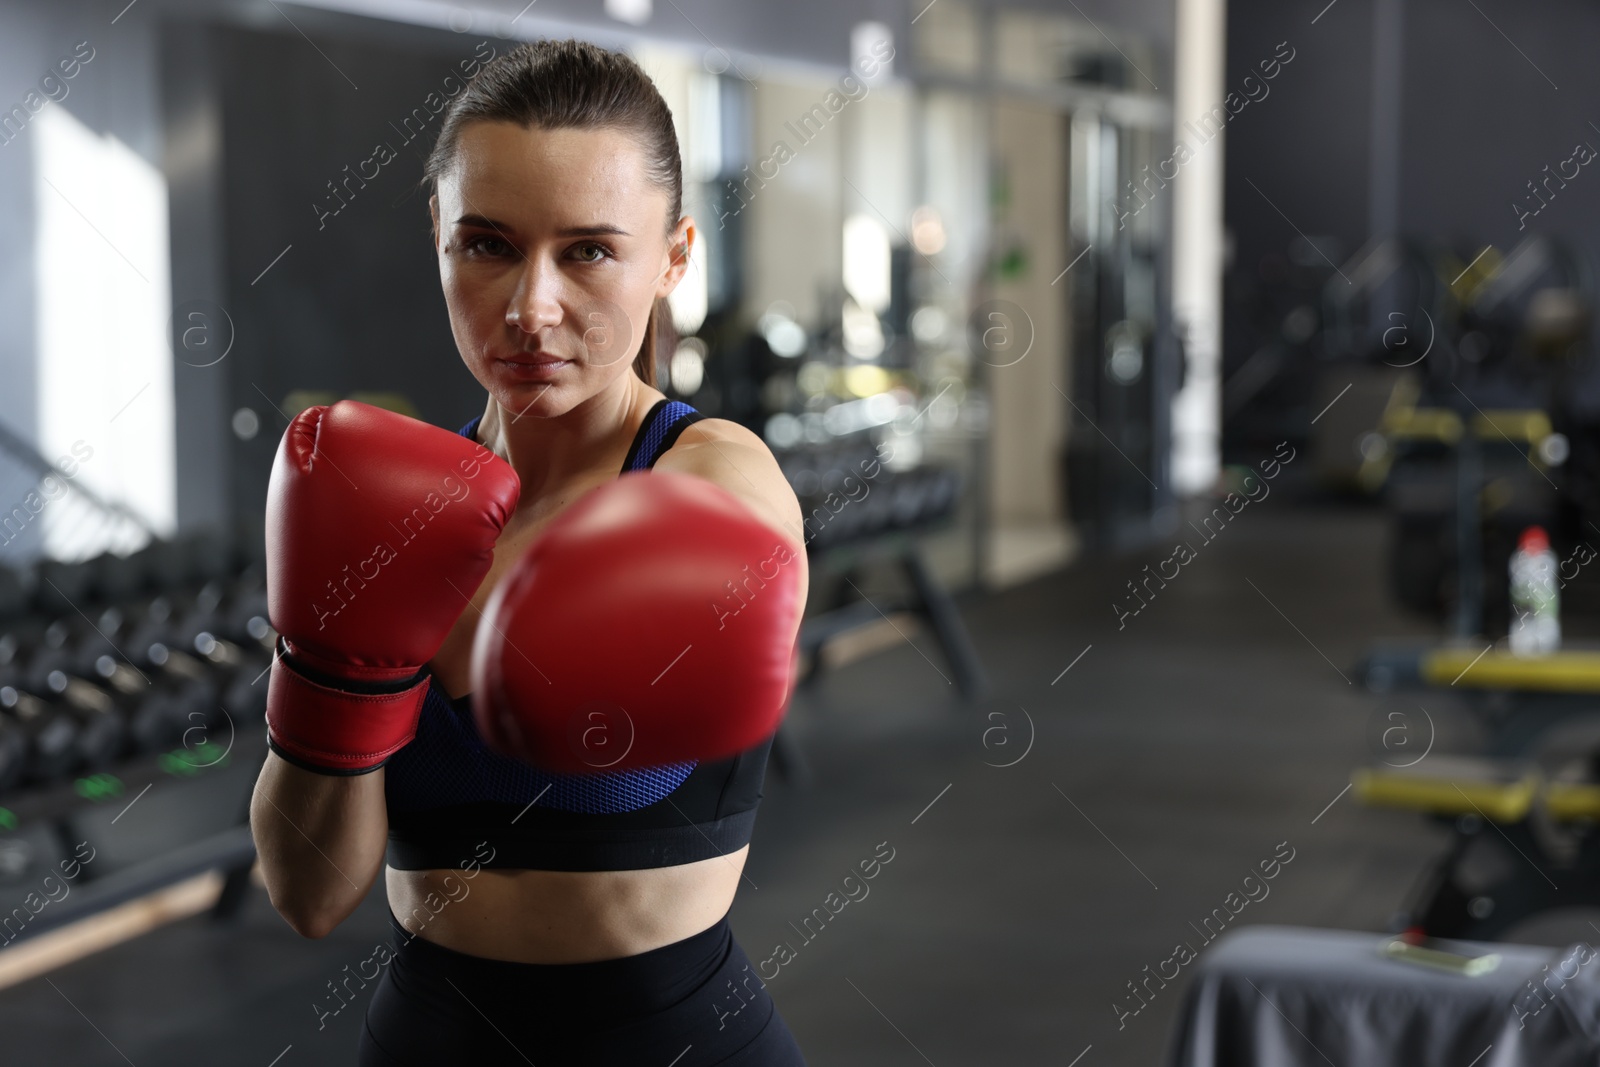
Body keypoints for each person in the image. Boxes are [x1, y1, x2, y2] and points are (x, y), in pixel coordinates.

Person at [248, 38, 810, 1065]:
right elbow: (309, 890)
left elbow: (743, 537)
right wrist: (332, 665)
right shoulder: (388, 514)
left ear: (674, 256)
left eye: (589, 250)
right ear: (437, 235)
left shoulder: (711, 475)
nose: (529, 308)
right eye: (489, 244)